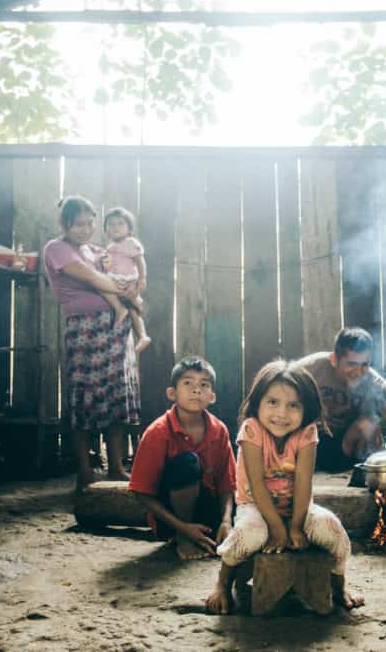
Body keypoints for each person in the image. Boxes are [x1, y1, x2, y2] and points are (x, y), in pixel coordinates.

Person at [206, 360, 364, 614]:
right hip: (255, 505)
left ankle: (339, 585)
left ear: (306, 409)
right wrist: (278, 528)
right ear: (258, 402)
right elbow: (256, 485)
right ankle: (222, 583)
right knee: (249, 533)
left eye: (293, 405)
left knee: (333, 530)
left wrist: (296, 525)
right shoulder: (252, 430)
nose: (281, 413)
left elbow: (303, 482)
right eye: (273, 402)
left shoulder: (307, 433)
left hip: (297, 507)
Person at [43, 196, 141, 491]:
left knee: (115, 394)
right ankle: (85, 471)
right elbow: (98, 280)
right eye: (78, 224)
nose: (85, 230)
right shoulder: (56, 249)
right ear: (64, 224)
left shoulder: (98, 250)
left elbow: (125, 272)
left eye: (89, 223)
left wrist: (131, 294)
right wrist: (130, 294)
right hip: (85, 329)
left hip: (115, 327)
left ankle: (115, 467)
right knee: (84, 395)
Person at [128, 357, 236, 560]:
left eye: (204, 385)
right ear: (172, 393)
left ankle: (211, 532)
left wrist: (226, 521)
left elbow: (227, 484)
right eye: (188, 383)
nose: (197, 390)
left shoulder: (219, 430)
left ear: (212, 396)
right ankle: (183, 538)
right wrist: (183, 528)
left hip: (207, 510)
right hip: (170, 519)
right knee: (187, 462)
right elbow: (141, 492)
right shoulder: (158, 432)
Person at [295, 327, 386, 480]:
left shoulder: (374, 383)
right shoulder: (311, 367)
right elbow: (276, 383)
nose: (359, 372)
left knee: (369, 423)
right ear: (334, 359)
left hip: (343, 448)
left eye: (365, 364)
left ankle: (364, 476)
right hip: (307, 444)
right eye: (351, 364)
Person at [98, 206, 151, 354]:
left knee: (103, 287)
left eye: (121, 224)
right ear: (105, 230)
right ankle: (143, 336)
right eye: (111, 224)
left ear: (129, 229)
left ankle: (123, 308)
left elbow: (140, 261)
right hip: (116, 279)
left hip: (127, 280)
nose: (116, 227)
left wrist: (142, 278)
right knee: (132, 309)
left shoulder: (131, 242)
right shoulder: (110, 247)